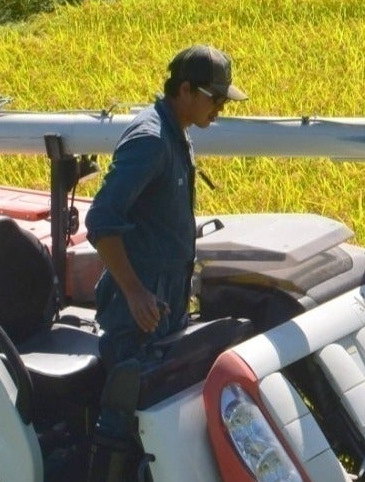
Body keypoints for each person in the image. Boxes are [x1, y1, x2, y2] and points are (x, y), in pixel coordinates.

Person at [84, 44, 248, 369]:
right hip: (137, 315)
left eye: (224, 101)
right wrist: (134, 292)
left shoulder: (178, 132)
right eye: (214, 99)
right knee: (130, 408)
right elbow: (101, 219)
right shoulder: (151, 141)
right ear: (185, 90)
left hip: (165, 305)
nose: (219, 109)